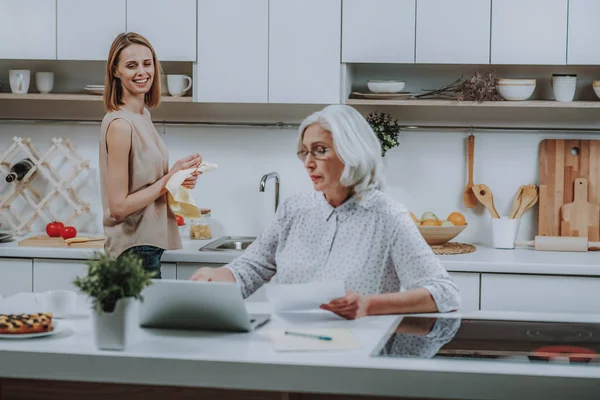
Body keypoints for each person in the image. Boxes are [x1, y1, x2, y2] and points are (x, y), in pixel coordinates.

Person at [190, 104, 460, 318]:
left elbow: (444, 293)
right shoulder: (294, 209)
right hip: (288, 345)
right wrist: (216, 278)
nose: (308, 163)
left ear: (351, 152)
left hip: (356, 351)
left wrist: (368, 305)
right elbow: (251, 268)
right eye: (304, 152)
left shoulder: (388, 217)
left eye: (320, 151)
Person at [98, 32, 202, 278]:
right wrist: (168, 180)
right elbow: (119, 207)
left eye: (147, 63)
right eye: (131, 65)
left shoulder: (142, 116)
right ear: (115, 71)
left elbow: (145, 182)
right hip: (133, 251)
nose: (142, 72)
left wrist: (176, 176)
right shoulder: (121, 125)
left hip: (147, 248)